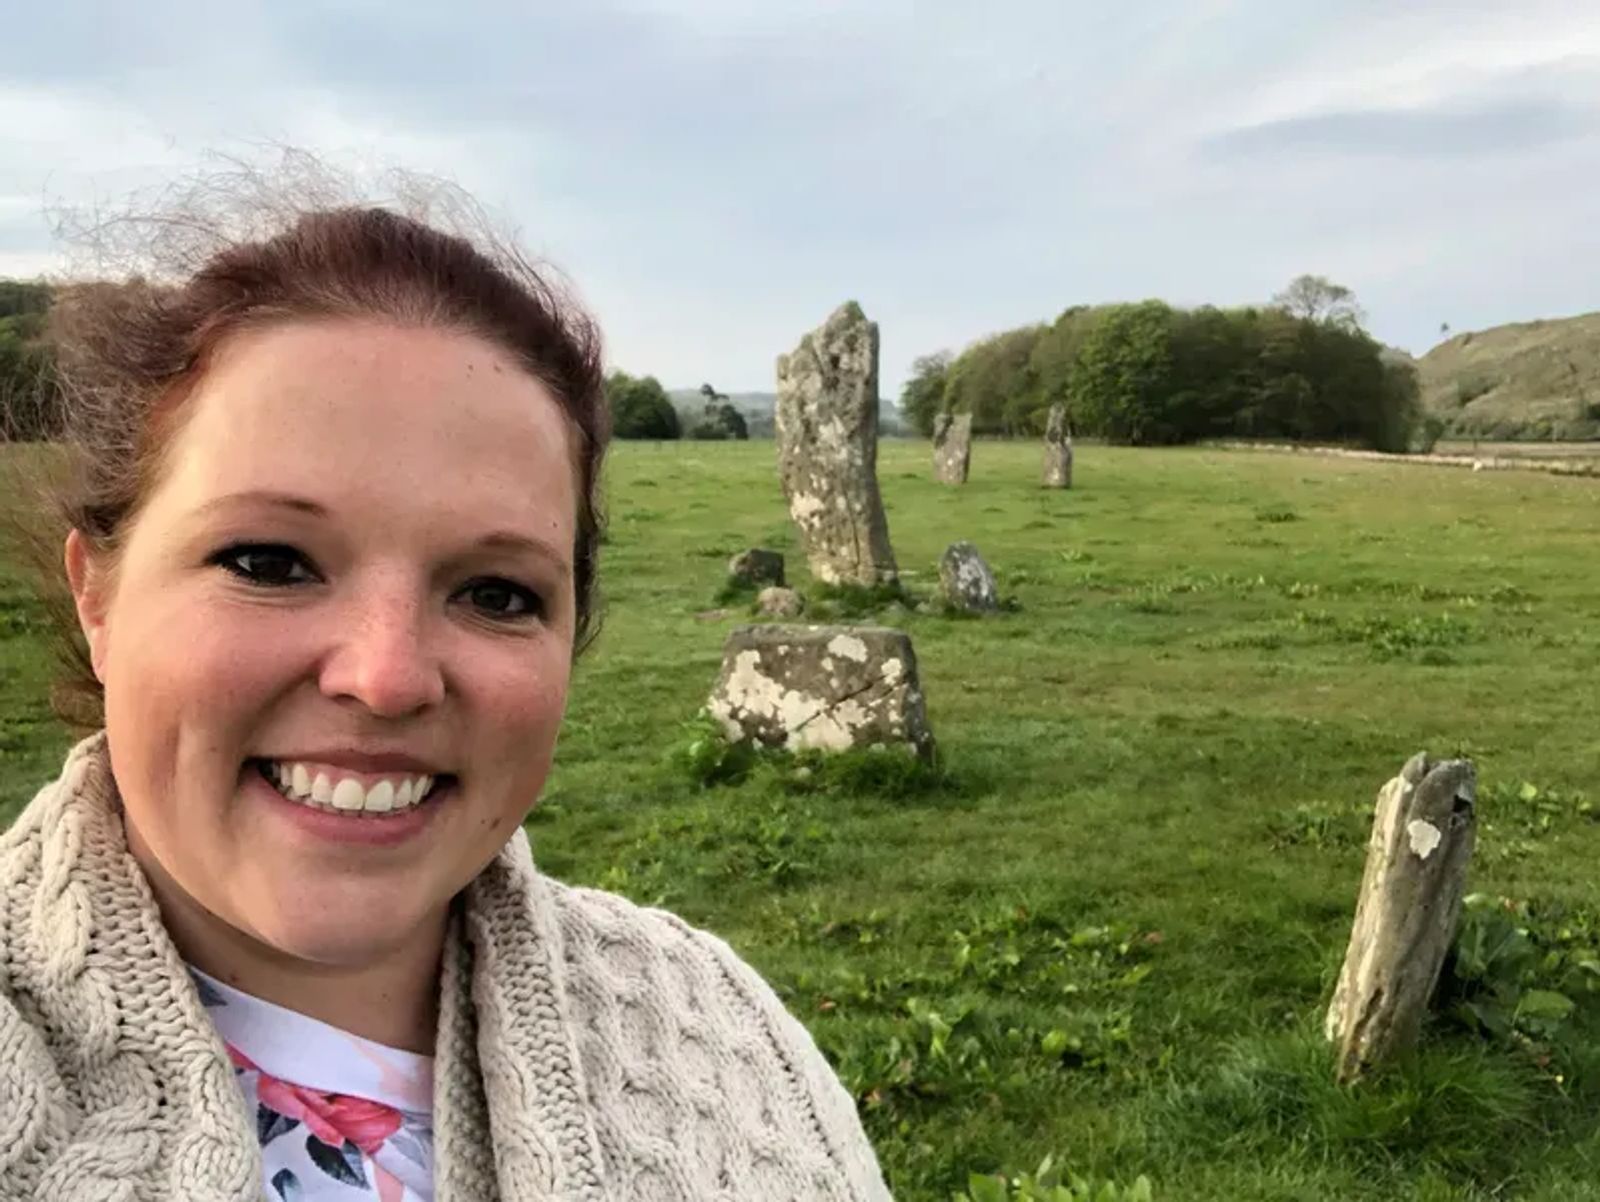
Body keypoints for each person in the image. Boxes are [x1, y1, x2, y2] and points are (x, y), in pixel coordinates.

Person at [0, 175, 892, 1201]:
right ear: (96, 594)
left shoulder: (723, 1036)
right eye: (269, 561)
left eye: (494, 591)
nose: (385, 677)